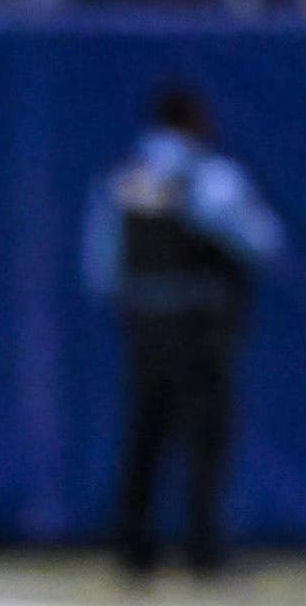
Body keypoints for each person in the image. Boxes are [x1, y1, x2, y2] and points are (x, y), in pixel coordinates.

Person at [83, 87, 283, 578]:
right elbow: (259, 242)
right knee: (205, 438)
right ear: (196, 121)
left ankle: (134, 549)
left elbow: (102, 265)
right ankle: (203, 550)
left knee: (144, 435)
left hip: (145, 323)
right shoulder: (210, 178)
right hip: (199, 323)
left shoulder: (125, 180)